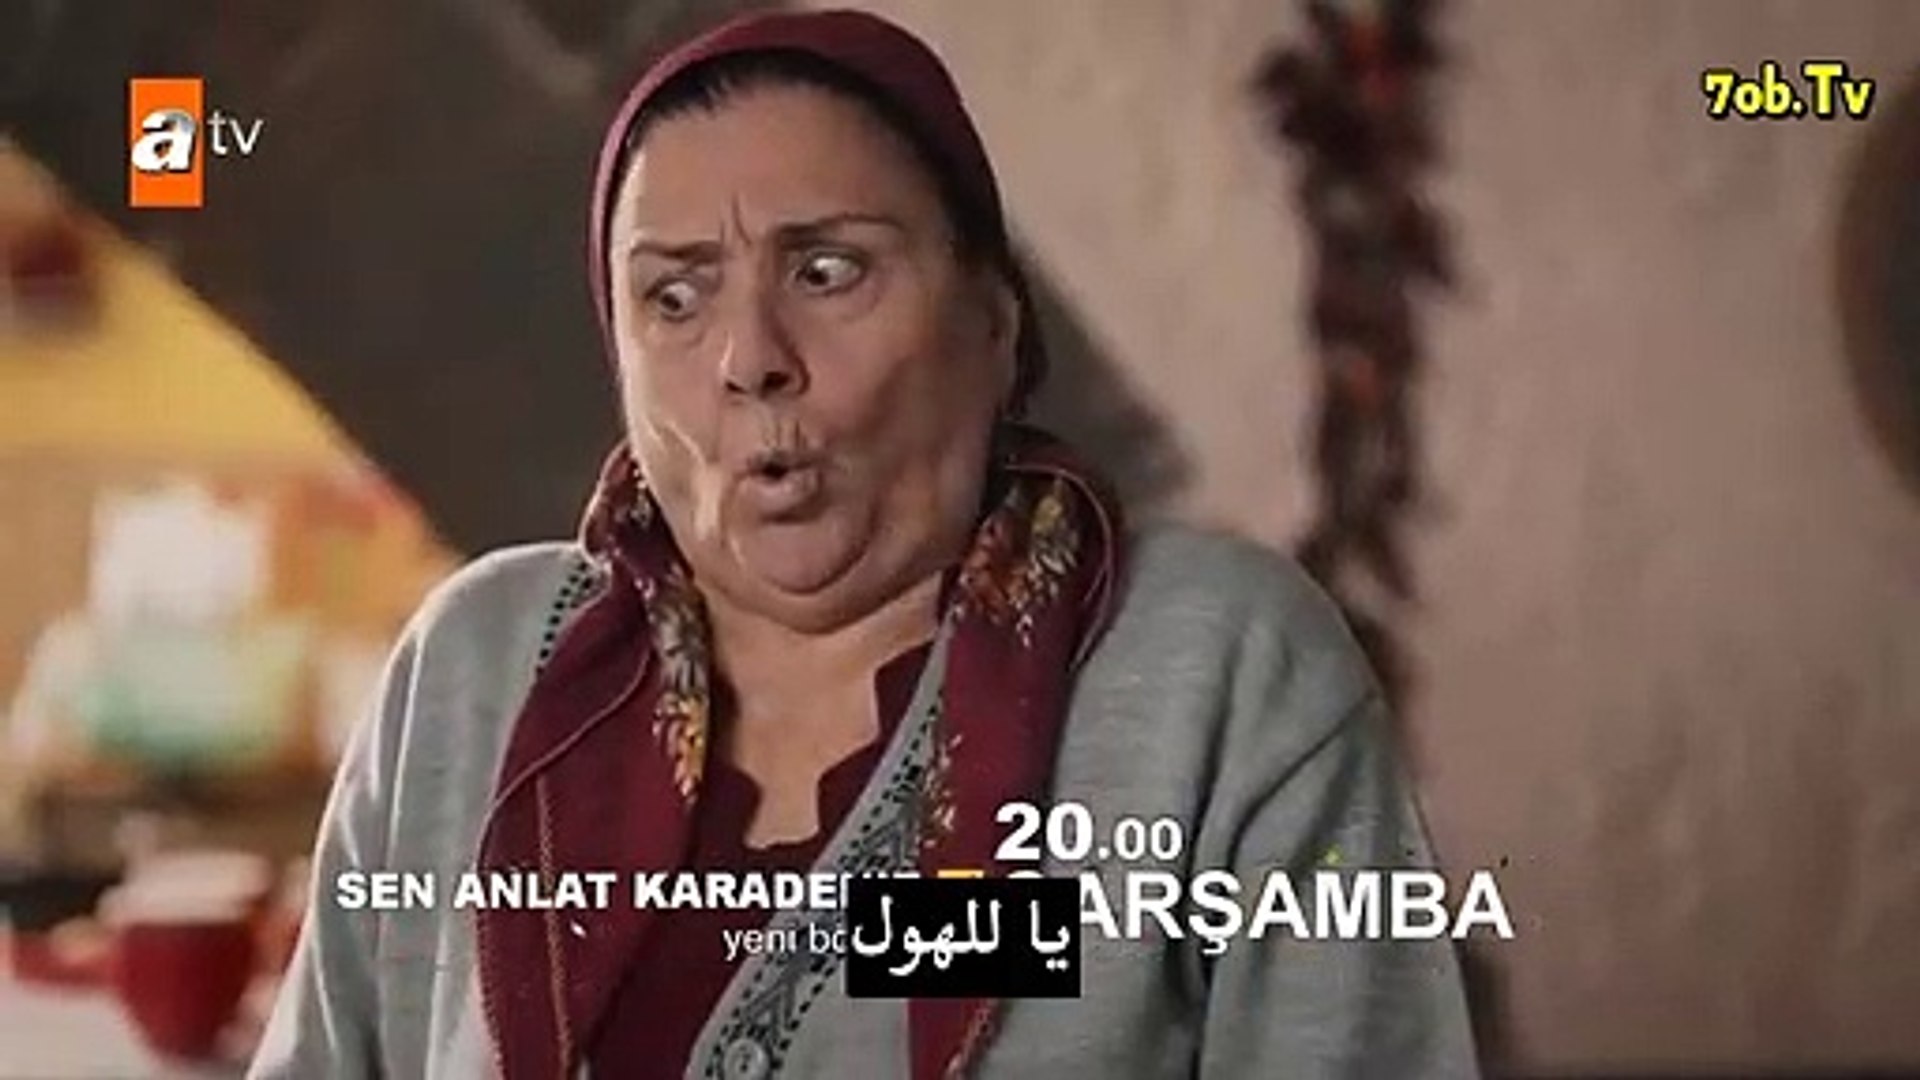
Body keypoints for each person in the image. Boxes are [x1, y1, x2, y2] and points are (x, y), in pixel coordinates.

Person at [250, 9, 1479, 1079]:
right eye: (673, 296)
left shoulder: (1213, 665)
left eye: (829, 271)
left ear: (993, 324)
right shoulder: (477, 667)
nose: (751, 357)